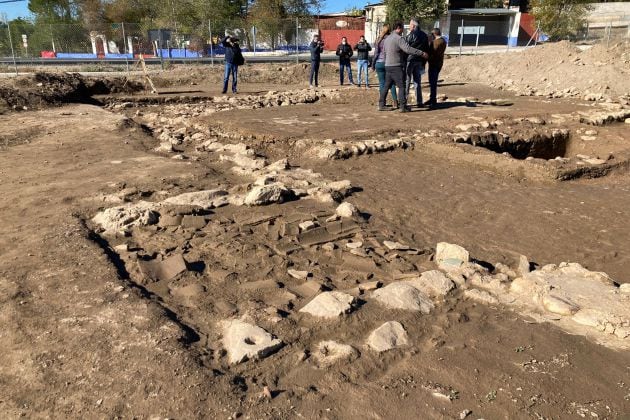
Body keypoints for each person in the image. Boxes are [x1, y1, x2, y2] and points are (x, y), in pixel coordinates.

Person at [378, 22, 427, 113]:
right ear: (399, 28)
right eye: (402, 28)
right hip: (396, 66)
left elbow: (384, 53)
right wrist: (421, 53)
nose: (403, 30)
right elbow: (407, 49)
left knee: (386, 86)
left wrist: (386, 63)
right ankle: (403, 106)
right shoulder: (399, 38)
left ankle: (381, 105)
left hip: (388, 66)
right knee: (401, 86)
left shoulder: (387, 38)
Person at [371, 25, 398, 109]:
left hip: (379, 63)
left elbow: (376, 54)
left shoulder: (378, 40)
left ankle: (382, 102)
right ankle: (395, 102)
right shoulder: (390, 39)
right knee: (391, 83)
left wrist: (373, 64)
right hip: (388, 63)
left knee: (382, 83)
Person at [405, 18, 429, 107]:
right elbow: (426, 49)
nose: (409, 26)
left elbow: (406, 48)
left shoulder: (410, 35)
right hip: (419, 60)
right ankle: (419, 101)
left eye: (410, 24)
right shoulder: (424, 35)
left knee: (407, 81)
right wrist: (424, 62)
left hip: (410, 60)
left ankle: (404, 101)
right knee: (417, 82)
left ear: (414, 26)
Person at [427, 27, 447, 109]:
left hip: (433, 64)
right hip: (439, 63)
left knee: (433, 83)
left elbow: (432, 54)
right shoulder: (443, 41)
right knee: (433, 82)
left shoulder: (436, 42)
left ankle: (433, 100)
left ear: (434, 34)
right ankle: (432, 98)